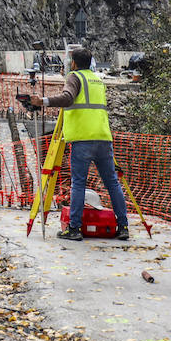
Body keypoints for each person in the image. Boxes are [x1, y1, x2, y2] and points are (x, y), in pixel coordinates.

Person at [22, 48, 130, 241]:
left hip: (83, 138)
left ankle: (74, 228)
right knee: (112, 182)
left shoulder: (74, 77)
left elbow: (68, 98)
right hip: (103, 137)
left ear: (73, 63)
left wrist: (43, 101)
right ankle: (123, 226)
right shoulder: (98, 80)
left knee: (78, 183)